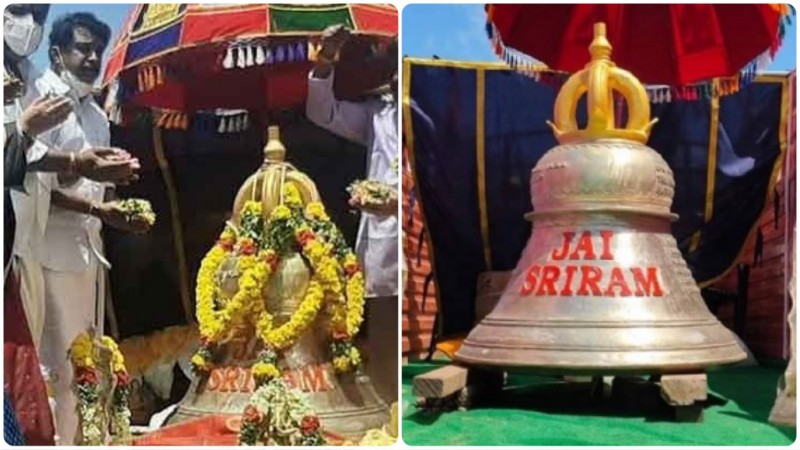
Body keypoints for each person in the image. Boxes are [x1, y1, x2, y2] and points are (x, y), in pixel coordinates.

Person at [3, 5, 140, 445]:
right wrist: (94, 199)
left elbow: (94, 178)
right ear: (57, 55)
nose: (92, 58)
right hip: (47, 251)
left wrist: (115, 197)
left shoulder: (99, 115)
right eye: (83, 49)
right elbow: (35, 176)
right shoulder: (41, 95)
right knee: (56, 372)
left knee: (89, 363)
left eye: (98, 50)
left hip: (90, 254)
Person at [306, 25, 399, 404]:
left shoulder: (443, 111)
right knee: (384, 336)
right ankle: (386, 415)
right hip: (384, 240)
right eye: (395, 64)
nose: (398, 73)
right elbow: (321, 112)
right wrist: (326, 59)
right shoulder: (378, 114)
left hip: (426, 238)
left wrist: (399, 202)